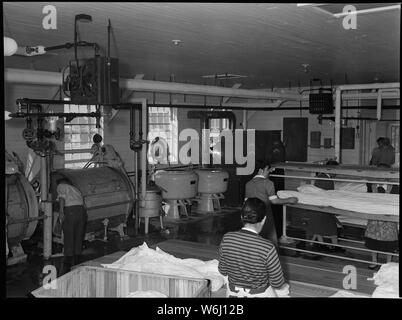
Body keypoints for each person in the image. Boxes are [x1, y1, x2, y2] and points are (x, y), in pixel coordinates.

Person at [218, 198, 289, 297]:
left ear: (242, 216)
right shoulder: (267, 247)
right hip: (260, 294)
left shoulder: (227, 238)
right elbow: (278, 283)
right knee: (283, 290)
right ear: (264, 219)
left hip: (233, 293)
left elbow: (222, 270)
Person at [244, 161, 298, 246]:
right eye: (268, 171)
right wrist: (289, 200)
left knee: (253, 239)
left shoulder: (248, 184)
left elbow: (246, 202)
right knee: (269, 240)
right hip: (264, 214)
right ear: (261, 170)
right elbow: (274, 201)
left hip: (250, 216)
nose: (269, 173)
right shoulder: (268, 183)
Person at [56, 178, 87, 269]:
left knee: (69, 234)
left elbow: (62, 198)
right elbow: (83, 204)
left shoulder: (61, 186)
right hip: (81, 211)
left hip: (70, 210)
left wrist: (61, 212)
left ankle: (68, 257)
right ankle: (77, 255)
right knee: (79, 234)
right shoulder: (75, 188)